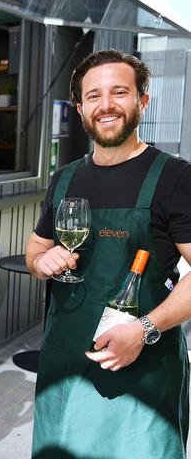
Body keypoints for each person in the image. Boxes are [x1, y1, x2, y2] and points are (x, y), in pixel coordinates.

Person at [26, 50, 191, 458]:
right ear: (81, 108)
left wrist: (146, 329)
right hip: (65, 362)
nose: (107, 105)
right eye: (95, 96)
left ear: (142, 101)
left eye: (120, 92)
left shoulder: (175, 176)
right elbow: (36, 247)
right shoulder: (64, 178)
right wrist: (40, 261)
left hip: (142, 368)